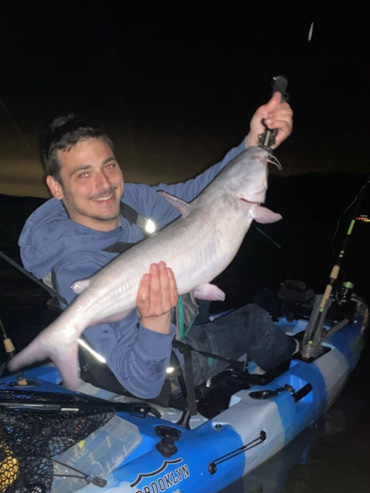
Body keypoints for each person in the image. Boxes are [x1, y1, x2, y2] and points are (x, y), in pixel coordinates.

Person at [19, 91, 297, 400]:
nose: (104, 185)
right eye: (83, 174)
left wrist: (253, 143)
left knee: (207, 300)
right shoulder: (76, 268)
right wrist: (154, 320)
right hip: (162, 366)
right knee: (254, 320)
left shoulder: (128, 201)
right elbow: (143, 382)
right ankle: (294, 370)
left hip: (173, 320)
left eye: (109, 166)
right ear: (56, 187)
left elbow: (200, 195)